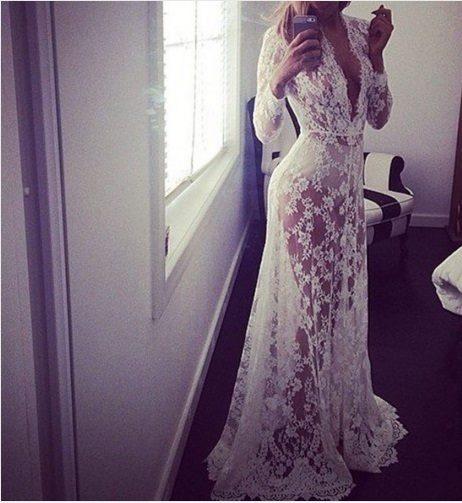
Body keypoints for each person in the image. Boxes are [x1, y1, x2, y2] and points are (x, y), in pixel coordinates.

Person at [204, 2, 408, 500]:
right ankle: (301, 428)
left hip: (345, 193)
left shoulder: (359, 33)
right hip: (304, 191)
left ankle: (333, 414)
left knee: (337, 306)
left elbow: (378, 117)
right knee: (305, 311)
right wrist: (281, 76)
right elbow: (264, 128)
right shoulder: (280, 37)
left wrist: (378, 55)